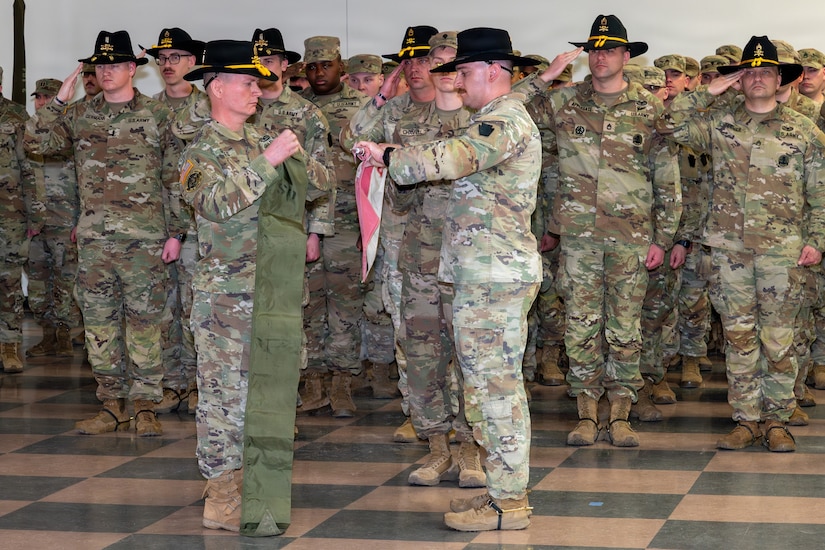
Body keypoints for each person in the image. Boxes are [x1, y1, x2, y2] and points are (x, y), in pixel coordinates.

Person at [356, 26, 542, 532]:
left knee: (494, 391)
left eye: (463, 72)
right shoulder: (490, 119)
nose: (456, 81)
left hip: (493, 277)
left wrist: (388, 154)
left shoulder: (503, 121)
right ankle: (505, 494)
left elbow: (449, 158)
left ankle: (509, 504)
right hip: (482, 274)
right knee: (487, 388)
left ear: (493, 71)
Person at [178, 38, 326, 532]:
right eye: (247, 83)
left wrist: (299, 159)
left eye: (259, 84)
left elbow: (318, 185)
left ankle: (258, 486)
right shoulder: (201, 150)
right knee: (224, 399)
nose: (258, 92)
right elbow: (215, 203)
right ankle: (222, 495)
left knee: (268, 393)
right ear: (216, 87)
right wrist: (268, 160)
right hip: (226, 299)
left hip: (274, 291)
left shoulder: (262, 139)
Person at [657, 35, 825, 452]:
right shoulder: (719, 124)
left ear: (780, 79)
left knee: (779, 339)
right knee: (739, 336)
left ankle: (777, 420)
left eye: (766, 72)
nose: (758, 79)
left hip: (783, 251)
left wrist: (818, 241)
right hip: (730, 250)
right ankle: (746, 420)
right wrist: (710, 90)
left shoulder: (803, 131)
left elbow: (820, 193)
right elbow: (667, 123)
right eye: (749, 73)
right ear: (740, 79)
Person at [522, 14, 681, 447]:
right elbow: (507, 107)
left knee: (626, 328)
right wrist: (546, 76)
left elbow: (666, 178)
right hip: (579, 237)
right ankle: (587, 412)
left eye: (610, 50)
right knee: (581, 326)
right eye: (594, 50)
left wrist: (662, 238)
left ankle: (622, 412)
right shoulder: (564, 101)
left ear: (626, 56)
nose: (600, 57)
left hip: (631, 237)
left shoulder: (649, 109)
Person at [24, 30, 187, 437]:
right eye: (100, 65)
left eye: (115, 64)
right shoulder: (79, 114)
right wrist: (59, 101)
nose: (106, 71)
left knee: (145, 324)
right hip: (95, 242)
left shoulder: (157, 115)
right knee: (99, 325)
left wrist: (177, 232)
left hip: (145, 240)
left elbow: (174, 178)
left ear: (132, 68)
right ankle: (112, 406)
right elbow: (35, 141)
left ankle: (146, 405)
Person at [341, 25, 439, 441]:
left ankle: (456, 418)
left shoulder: (458, 110)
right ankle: (416, 411)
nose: (414, 67)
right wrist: (381, 95)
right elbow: (349, 138)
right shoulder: (392, 111)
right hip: (401, 239)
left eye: (424, 59)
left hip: (449, 239)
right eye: (407, 60)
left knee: (449, 333)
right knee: (406, 330)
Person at [298, 36, 370, 418]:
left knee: (345, 303)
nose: (319, 73)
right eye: (311, 66)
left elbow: (374, 169)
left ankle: (342, 381)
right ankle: (313, 380)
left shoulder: (362, 108)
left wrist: (368, 225)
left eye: (326, 65)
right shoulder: (297, 108)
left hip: (347, 221)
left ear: (341, 66)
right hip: (305, 219)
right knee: (307, 303)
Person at [143, 27, 206, 415]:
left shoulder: (207, 107)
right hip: (155, 224)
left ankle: (199, 383)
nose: (167, 64)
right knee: (163, 309)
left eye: (176, 57)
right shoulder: (148, 110)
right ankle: (172, 382)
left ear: (193, 62)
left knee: (195, 308)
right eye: (162, 58)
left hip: (197, 226)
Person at [25, 78, 82, 359]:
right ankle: (47, 335)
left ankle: (64, 334)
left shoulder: (71, 132)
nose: (42, 102)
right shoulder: (29, 133)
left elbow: (88, 181)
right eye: (38, 97)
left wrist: (80, 221)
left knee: (65, 282)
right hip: (35, 223)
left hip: (65, 221)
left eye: (48, 97)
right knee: (37, 283)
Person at [0, 67, 41, 373]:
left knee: (9, 280)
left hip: (9, 215)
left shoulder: (15, 116)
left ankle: (9, 344)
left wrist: (36, 212)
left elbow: (30, 166)